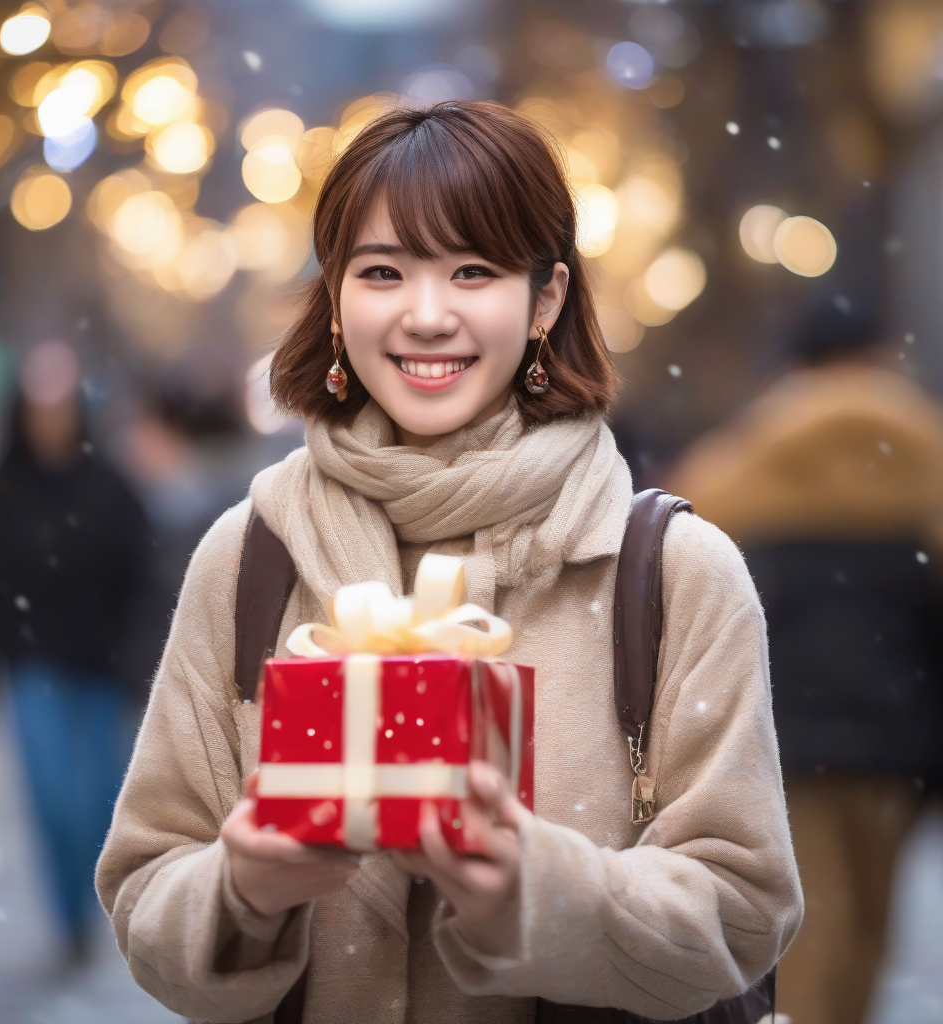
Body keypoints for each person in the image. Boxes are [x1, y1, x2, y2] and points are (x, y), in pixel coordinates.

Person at [96, 101, 803, 1022]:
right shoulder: (249, 557)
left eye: (473, 271)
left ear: (545, 299)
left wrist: (531, 886)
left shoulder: (670, 574)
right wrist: (243, 886)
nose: (427, 316)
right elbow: (148, 887)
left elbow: (744, 912)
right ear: (338, 300)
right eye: (383, 272)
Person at [667, 293, 943, 1024]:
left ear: (796, 364)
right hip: (898, 745)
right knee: (869, 939)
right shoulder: (928, 455)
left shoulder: (740, 463)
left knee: (807, 943)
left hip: (784, 741)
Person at [0, 340, 152, 964]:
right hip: (32, 663)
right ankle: (68, 915)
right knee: (50, 797)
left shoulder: (110, 486)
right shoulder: (9, 484)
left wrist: (137, 660)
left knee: (95, 795)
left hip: (98, 667)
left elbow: (142, 576)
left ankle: (92, 900)